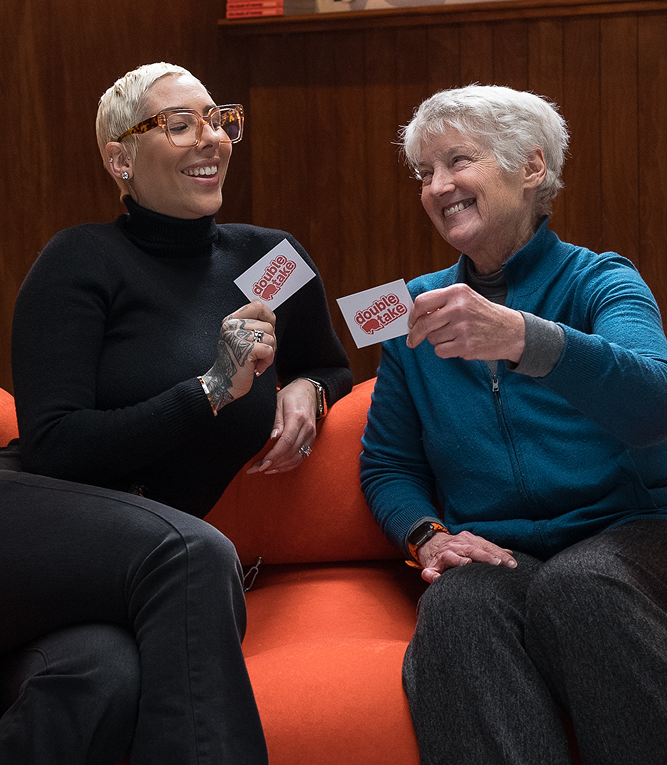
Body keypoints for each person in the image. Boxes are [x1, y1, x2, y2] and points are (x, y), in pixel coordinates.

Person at [3, 62, 352, 764]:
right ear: (120, 159)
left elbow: (330, 362)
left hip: (121, 571)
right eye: (180, 123)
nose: (211, 138)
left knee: (99, 678)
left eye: (220, 119)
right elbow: (55, 445)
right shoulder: (80, 258)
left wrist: (306, 390)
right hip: (32, 517)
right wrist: (212, 388)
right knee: (192, 550)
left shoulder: (269, 256)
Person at [360, 85, 667, 765]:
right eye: (424, 173)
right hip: (499, 549)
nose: (438, 187)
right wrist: (427, 537)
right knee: (456, 609)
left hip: (630, 533)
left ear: (530, 168)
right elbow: (388, 464)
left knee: (581, 586)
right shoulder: (409, 307)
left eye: (456, 161)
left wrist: (527, 339)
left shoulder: (600, 281)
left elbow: (653, 406)